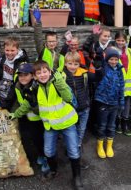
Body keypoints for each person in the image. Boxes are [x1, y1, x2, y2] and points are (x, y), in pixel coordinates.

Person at [33, 60, 83, 190]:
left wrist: (59, 81)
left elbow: (67, 97)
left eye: (45, 71)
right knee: (48, 151)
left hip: (66, 122)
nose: (43, 75)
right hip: (50, 125)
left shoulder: (56, 83)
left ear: (50, 72)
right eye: (39, 73)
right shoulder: (36, 88)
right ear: (35, 76)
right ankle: (54, 171)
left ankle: (77, 177)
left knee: (73, 150)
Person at [8, 63, 49, 173]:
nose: (23, 78)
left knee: (41, 140)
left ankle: (46, 159)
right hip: (25, 118)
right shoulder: (18, 86)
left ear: (32, 75)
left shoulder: (35, 87)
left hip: (38, 118)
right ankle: (37, 156)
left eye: (26, 75)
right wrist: (12, 112)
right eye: (20, 75)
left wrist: (18, 112)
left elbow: (32, 106)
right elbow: (18, 101)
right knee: (29, 139)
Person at [94, 47, 124, 159]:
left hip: (114, 103)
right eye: (111, 59)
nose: (114, 62)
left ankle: (109, 146)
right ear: (107, 59)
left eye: (116, 59)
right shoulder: (103, 69)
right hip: (103, 103)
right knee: (102, 126)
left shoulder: (119, 70)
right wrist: (98, 55)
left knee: (111, 126)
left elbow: (122, 86)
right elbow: (98, 63)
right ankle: (100, 145)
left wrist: (121, 102)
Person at [63, 51, 91, 169]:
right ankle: (72, 151)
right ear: (65, 63)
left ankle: (77, 152)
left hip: (84, 108)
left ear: (79, 64)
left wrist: (88, 102)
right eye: (70, 63)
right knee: (71, 132)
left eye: (75, 64)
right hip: (70, 110)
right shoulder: (62, 76)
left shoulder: (84, 74)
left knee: (81, 131)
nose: (72, 66)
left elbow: (88, 89)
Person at [113, 31, 131, 136]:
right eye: (118, 40)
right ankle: (117, 122)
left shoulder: (130, 50)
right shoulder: (113, 50)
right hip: (119, 80)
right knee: (119, 102)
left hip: (129, 80)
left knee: (127, 102)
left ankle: (125, 123)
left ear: (126, 41)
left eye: (123, 40)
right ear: (115, 40)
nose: (120, 42)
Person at [0, 36, 29, 110]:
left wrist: (8, 99)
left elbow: (18, 83)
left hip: (13, 92)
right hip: (2, 90)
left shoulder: (22, 62)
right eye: (7, 50)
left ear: (17, 49)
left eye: (12, 50)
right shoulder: (3, 58)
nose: (9, 53)